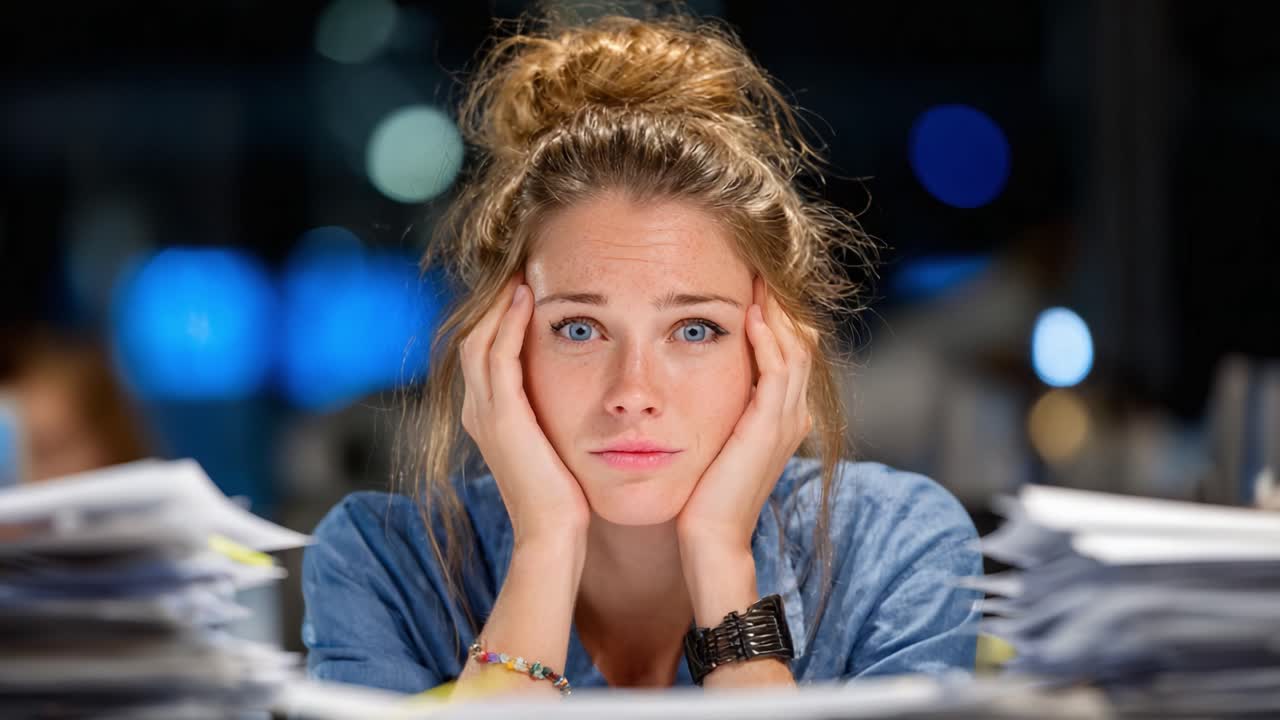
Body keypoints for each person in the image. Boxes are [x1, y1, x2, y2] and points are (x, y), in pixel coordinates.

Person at [301, 11, 981, 697]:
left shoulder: (894, 547)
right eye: (578, 329)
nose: (632, 391)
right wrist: (545, 546)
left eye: (693, 330)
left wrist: (720, 559)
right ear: (498, 348)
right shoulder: (380, 563)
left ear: (773, 350)